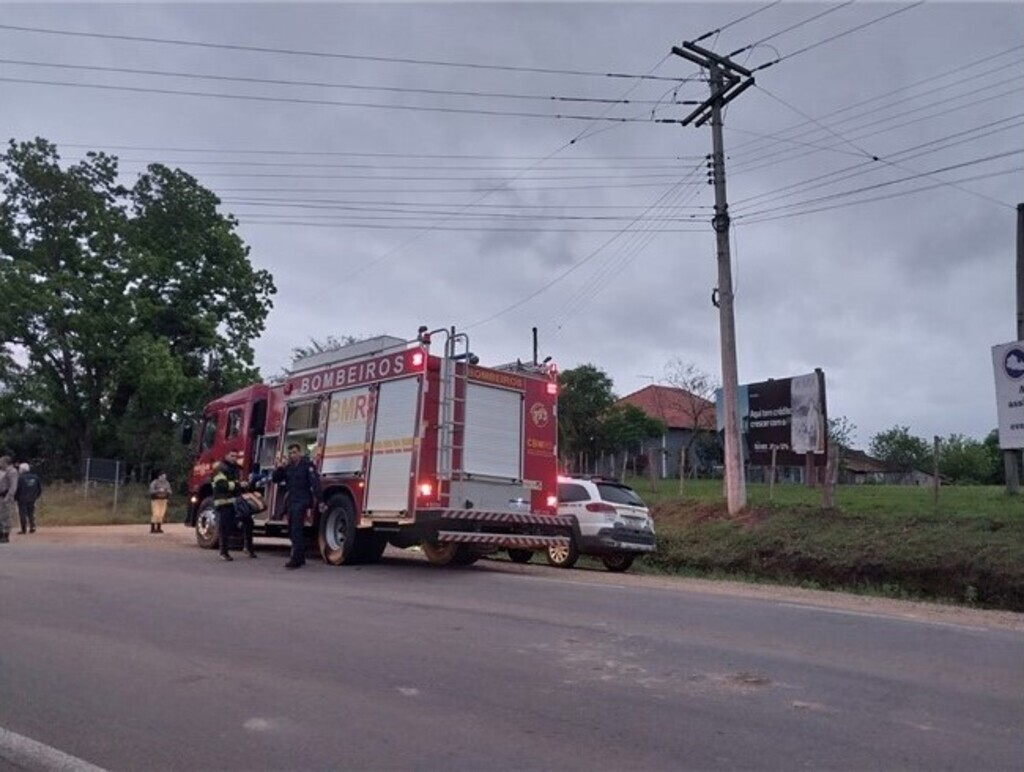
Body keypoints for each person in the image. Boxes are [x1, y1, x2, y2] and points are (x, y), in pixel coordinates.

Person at [272, 443, 320, 569]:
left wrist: (320, 499)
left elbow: (315, 483)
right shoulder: (288, 467)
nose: (292, 455)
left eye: (294, 452)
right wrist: (279, 468)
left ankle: (295, 559)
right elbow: (275, 479)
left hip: (302, 500)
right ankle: (301, 556)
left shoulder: (307, 466)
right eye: (290, 453)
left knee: (296, 530)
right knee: (290, 531)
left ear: (300, 452)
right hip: (291, 501)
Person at [212, 450, 247, 561]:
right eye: (232, 456)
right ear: (226, 456)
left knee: (244, 523)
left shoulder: (235, 468)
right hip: (223, 502)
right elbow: (221, 485)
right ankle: (223, 552)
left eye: (236, 456)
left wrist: (243, 485)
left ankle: (247, 547)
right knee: (224, 528)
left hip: (233, 501)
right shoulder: (220, 468)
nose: (234, 458)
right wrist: (238, 485)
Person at [14, 462, 42, 534]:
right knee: (31, 513)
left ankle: (23, 529)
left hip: (22, 498)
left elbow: (17, 488)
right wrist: (36, 496)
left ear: (22, 469)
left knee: (22, 513)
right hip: (32, 498)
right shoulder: (35, 477)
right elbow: (39, 488)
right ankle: (32, 527)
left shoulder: (20, 478)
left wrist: (15, 497)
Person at [0, 456, 17, 544]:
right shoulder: (3, 472)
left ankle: (5, 534)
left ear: (5, 462)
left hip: (6, 496)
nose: (0, 463)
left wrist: (8, 497)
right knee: (1, 516)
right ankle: (1, 533)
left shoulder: (12, 471)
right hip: (1, 496)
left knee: (6, 516)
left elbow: (13, 486)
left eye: (1, 462)